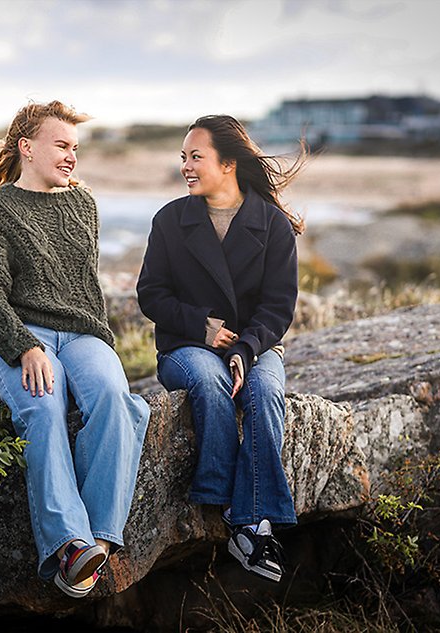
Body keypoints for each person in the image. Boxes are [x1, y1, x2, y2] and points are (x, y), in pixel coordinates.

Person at [0, 100, 150, 598]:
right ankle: (70, 546)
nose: (72, 157)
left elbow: (82, 288)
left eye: (76, 149)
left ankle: (99, 540)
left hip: (83, 335)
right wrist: (23, 347)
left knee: (118, 400)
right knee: (44, 407)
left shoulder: (83, 203)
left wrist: (96, 345)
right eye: (62, 146)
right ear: (27, 148)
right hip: (19, 335)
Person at [136, 114, 306, 583]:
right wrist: (203, 329)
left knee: (264, 393)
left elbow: (278, 309)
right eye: (183, 158)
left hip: (255, 345)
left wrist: (247, 348)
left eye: (196, 157)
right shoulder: (170, 220)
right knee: (210, 384)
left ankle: (248, 525)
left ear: (228, 163)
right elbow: (151, 294)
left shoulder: (271, 226)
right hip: (185, 347)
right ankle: (234, 506)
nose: (186, 166)